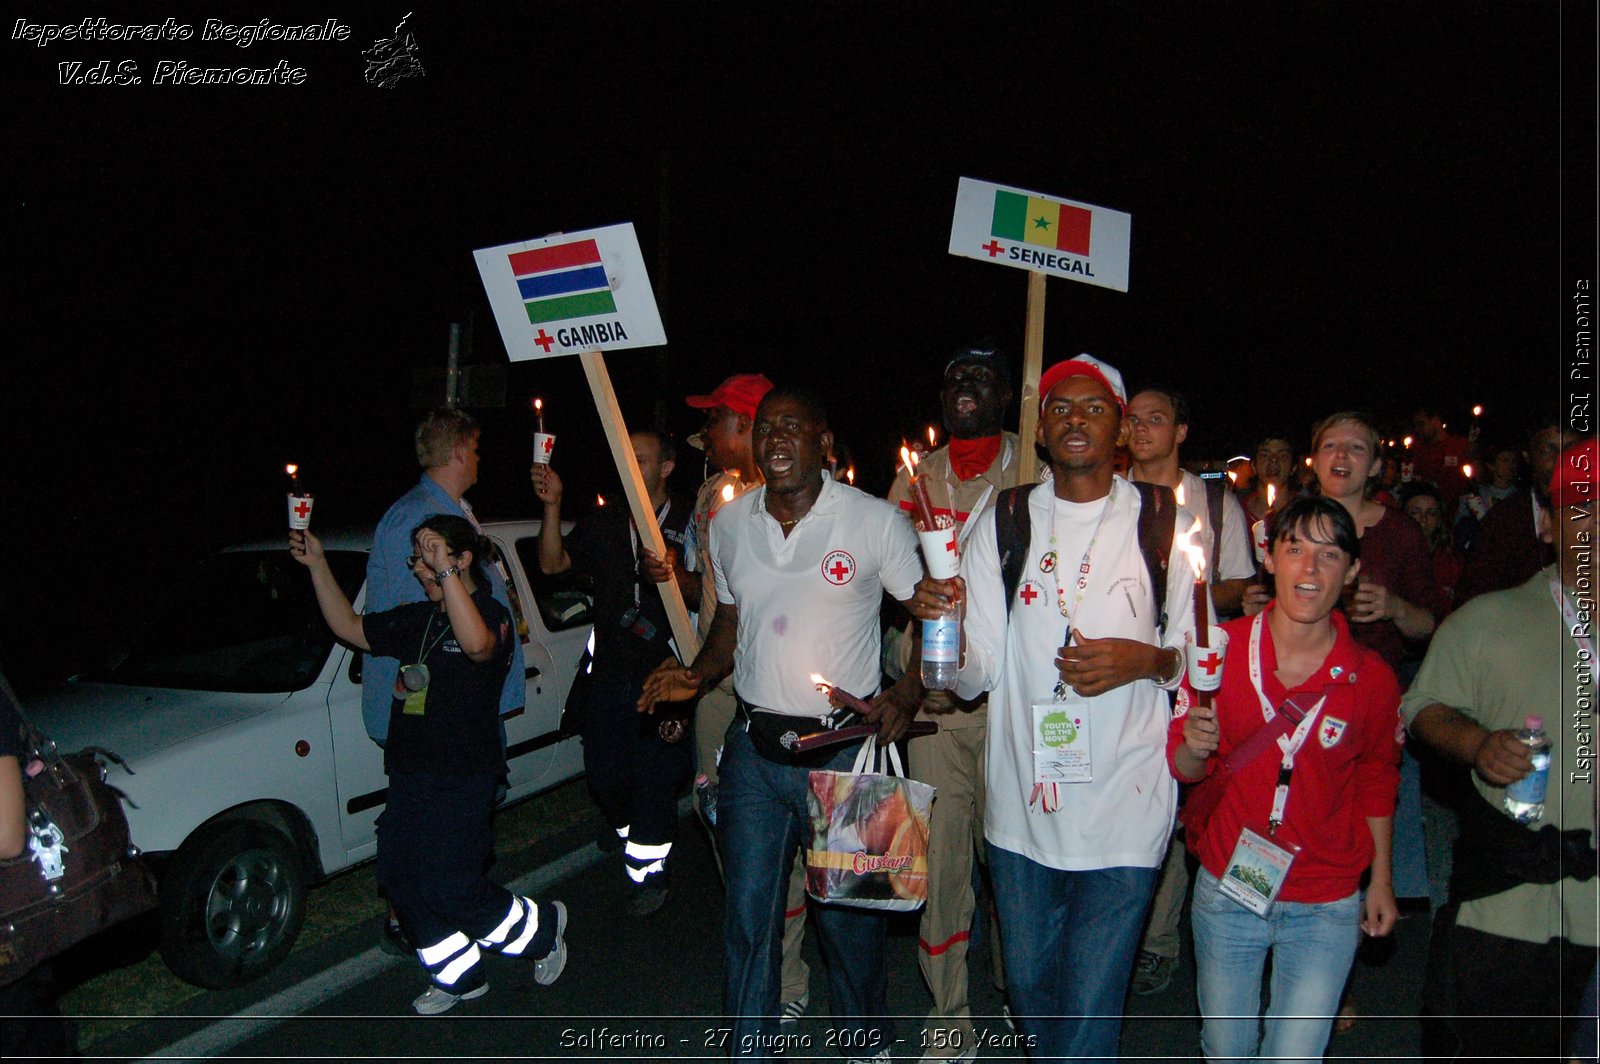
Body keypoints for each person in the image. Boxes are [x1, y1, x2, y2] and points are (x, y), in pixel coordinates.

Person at [909, 355, 1197, 1061]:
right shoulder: (1007, 521)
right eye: (1062, 408)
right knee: (1032, 987)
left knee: (1093, 1006)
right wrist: (939, 626)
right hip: (1022, 809)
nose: (1076, 420)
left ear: (1121, 428)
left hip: (1126, 805)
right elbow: (973, 677)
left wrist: (1147, 660)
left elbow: (1196, 654)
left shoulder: (1162, 522)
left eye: (1094, 408)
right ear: (1040, 430)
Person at [639, 386, 924, 1061]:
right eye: (766, 428)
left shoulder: (875, 521)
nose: (775, 439)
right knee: (747, 918)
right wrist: (696, 674)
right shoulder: (732, 524)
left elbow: (935, 615)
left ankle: (867, 1045)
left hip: (851, 756)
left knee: (852, 925)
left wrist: (908, 691)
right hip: (755, 752)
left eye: (793, 427)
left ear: (824, 442)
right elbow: (731, 625)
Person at [292, 517, 567, 1014]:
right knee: (401, 882)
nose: (420, 566)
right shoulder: (419, 618)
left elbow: (477, 646)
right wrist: (317, 565)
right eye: (418, 557)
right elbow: (349, 628)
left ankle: (542, 930)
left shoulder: (488, 614)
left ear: (460, 560)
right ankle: (461, 976)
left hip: (463, 777)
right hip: (410, 775)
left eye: (431, 555)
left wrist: (445, 574)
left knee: (451, 887)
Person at [1169, 494, 1401, 1061]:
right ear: (1269, 558)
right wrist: (1196, 747)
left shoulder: (1370, 678)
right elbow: (1182, 767)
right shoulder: (1215, 651)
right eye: (1295, 548)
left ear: (1351, 572)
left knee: (1295, 1054)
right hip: (1230, 885)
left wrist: (1382, 880)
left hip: (1325, 899)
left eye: (1329, 554)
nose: (1310, 568)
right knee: (1227, 1049)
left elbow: (1377, 775)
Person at [1403, 438, 1599, 1062]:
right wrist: (1479, 743)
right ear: (1548, 524)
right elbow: (1423, 709)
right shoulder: (1489, 620)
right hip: (1510, 907)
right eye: (1582, 508)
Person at [887, 341, 1022, 1061]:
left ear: (1006, 395)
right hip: (934, 703)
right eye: (954, 378)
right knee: (941, 867)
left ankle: (1019, 987)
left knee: (1012, 863)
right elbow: (877, 566)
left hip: (1009, 703)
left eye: (982, 376)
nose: (967, 386)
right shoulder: (914, 478)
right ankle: (949, 1012)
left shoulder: (1031, 471)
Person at [1125, 386, 1256, 997]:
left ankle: (1158, 941)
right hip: (1126, 664)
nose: (1143, 429)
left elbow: (1241, 589)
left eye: (1157, 419)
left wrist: (1188, 586)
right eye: (1134, 419)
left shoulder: (1214, 501)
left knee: (1176, 798)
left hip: (1195, 666)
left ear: (1180, 431)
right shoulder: (1111, 490)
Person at [532, 429, 693, 917]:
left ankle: (649, 871)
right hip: (609, 674)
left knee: (655, 778)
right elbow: (552, 562)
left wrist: (675, 574)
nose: (631, 468)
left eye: (640, 460)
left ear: (665, 467)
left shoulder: (692, 519)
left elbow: (716, 592)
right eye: (625, 459)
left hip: (665, 674)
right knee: (603, 777)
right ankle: (628, 831)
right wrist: (554, 504)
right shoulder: (605, 520)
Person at [1454, 421, 1568, 605]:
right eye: (1550, 450)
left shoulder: (1592, 517)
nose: (1561, 459)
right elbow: (1473, 596)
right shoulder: (1505, 519)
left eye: (1570, 449)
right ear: (1528, 456)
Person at [1399, 482, 1465, 611]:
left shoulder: (1451, 560)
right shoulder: (1391, 555)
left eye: (1431, 513)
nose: (1423, 519)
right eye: (1415, 512)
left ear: (1439, 519)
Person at [1451, 439, 1520, 555]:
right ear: (1491, 465)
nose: (1511, 466)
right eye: (1505, 461)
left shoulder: (1520, 497)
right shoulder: (1474, 496)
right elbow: (1459, 531)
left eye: (1513, 461)